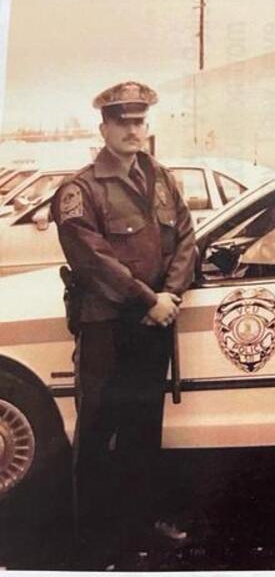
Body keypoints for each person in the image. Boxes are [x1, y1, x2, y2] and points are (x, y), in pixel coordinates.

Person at [51, 82, 197, 562]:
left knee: (142, 429)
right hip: (106, 327)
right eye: (123, 122)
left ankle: (140, 527)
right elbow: (92, 260)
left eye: (140, 121)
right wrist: (148, 299)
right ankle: (92, 542)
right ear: (104, 128)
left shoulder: (162, 177)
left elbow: (187, 240)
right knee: (97, 433)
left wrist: (171, 294)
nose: (134, 129)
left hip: (153, 324)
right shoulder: (81, 188)